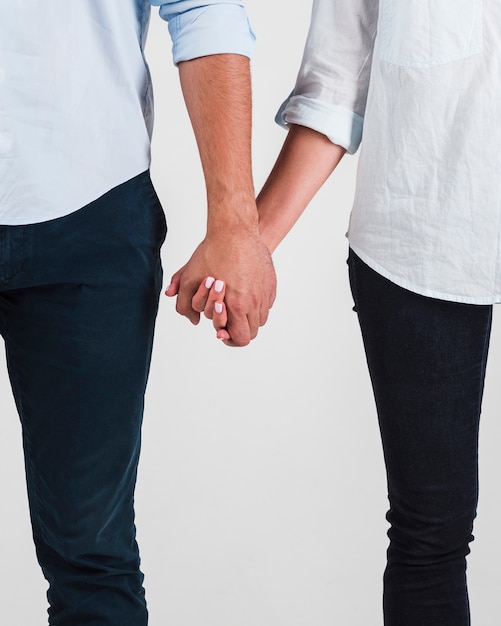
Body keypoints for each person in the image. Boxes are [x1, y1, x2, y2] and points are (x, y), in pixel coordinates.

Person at [185, 0, 498, 623]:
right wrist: (249, 247)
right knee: (430, 535)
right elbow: (339, 71)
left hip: (422, 230)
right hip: (420, 230)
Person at [0, 1, 275, 624]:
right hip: (91, 201)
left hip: (89, 202)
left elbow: (202, 6)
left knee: (92, 553)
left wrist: (235, 223)